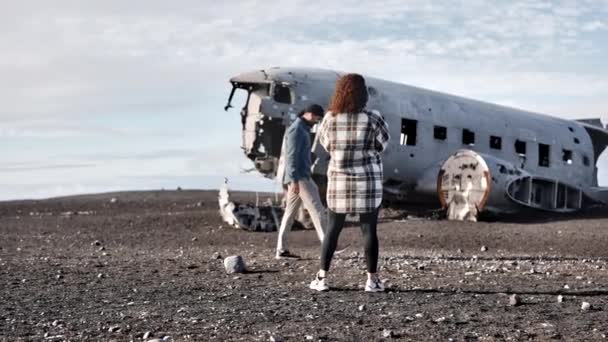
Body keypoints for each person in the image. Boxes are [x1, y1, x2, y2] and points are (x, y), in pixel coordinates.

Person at [309, 74, 390, 292]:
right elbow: (382, 144)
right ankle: (372, 281)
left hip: (339, 182)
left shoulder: (329, 119)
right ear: (363, 94)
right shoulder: (374, 118)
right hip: (368, 182)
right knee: (369, 231)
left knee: (333, 231)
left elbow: (326, 146)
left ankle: (321, 278)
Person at [275, 104, 327, 259]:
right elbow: (291, 158)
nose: (318, 121)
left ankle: (281, 251)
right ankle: (328, 246)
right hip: (300, 178)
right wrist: (294, 180)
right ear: (309, 114)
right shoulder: (296, 130)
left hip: (299, 178)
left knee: (289, 214)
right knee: (318, 211)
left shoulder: (302, 129)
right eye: (317, 117)